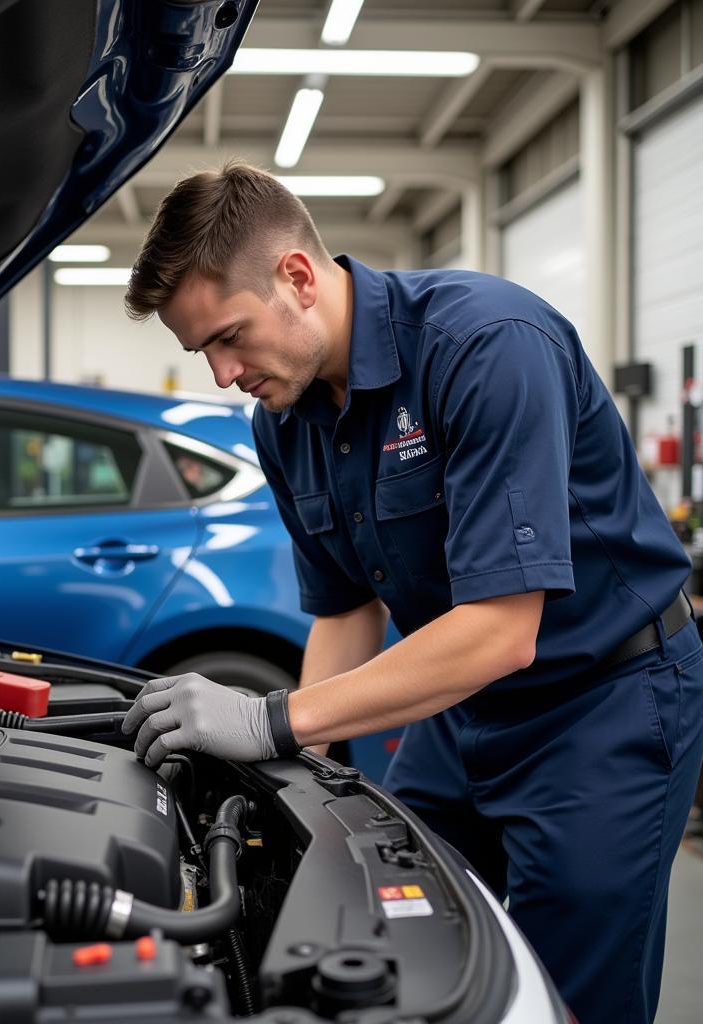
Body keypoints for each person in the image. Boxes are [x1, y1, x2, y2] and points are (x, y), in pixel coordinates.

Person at [120, 161, 703, 1024]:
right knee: (396, 930)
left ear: (298, 277)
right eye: (202, 350)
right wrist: (292, 766)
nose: (222, 372)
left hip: (603, 704)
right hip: (460, 712)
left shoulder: (487, 345)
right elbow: (347, 610)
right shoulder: (285, 421)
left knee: (567, 992)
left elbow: (503, 631)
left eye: (230, 336)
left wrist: (271, 719)